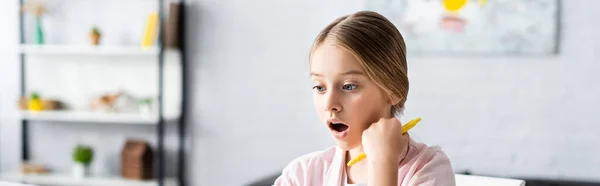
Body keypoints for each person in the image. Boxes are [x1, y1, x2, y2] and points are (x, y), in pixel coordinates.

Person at [274, 11, 456, 186]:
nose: (329, 104)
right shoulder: (301, 176)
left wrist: (383, 162)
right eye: (319, 87)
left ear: (393, 89)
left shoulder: (428, 169)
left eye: (348, 86)